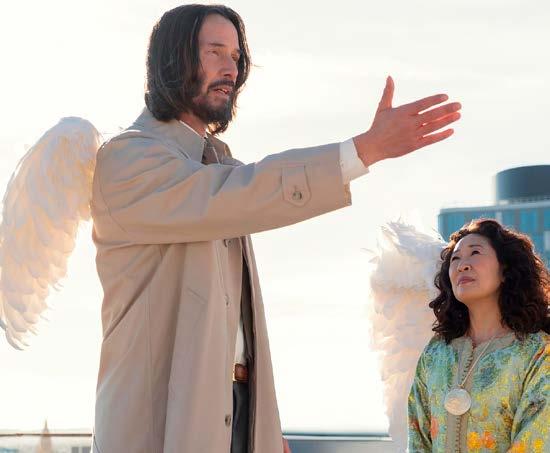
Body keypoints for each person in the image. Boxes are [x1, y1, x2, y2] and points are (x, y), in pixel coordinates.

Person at [84, 4, 461, 453]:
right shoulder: (128, 158)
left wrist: (261, 424)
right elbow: (244, 191)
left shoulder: (213, 165)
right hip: (157, 424)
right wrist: (363, 150)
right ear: (173, 59)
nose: (231, 69)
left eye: (236, 56)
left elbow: (232, 322)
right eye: (215, 52)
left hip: (237, 414)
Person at [407, 219, 550, 452]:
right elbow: (417, 438)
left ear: (505, 270)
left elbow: (537, 442)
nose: (462, 265)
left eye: (475, 253)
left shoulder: (538, 352)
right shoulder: (435, 353)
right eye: (455, 258)